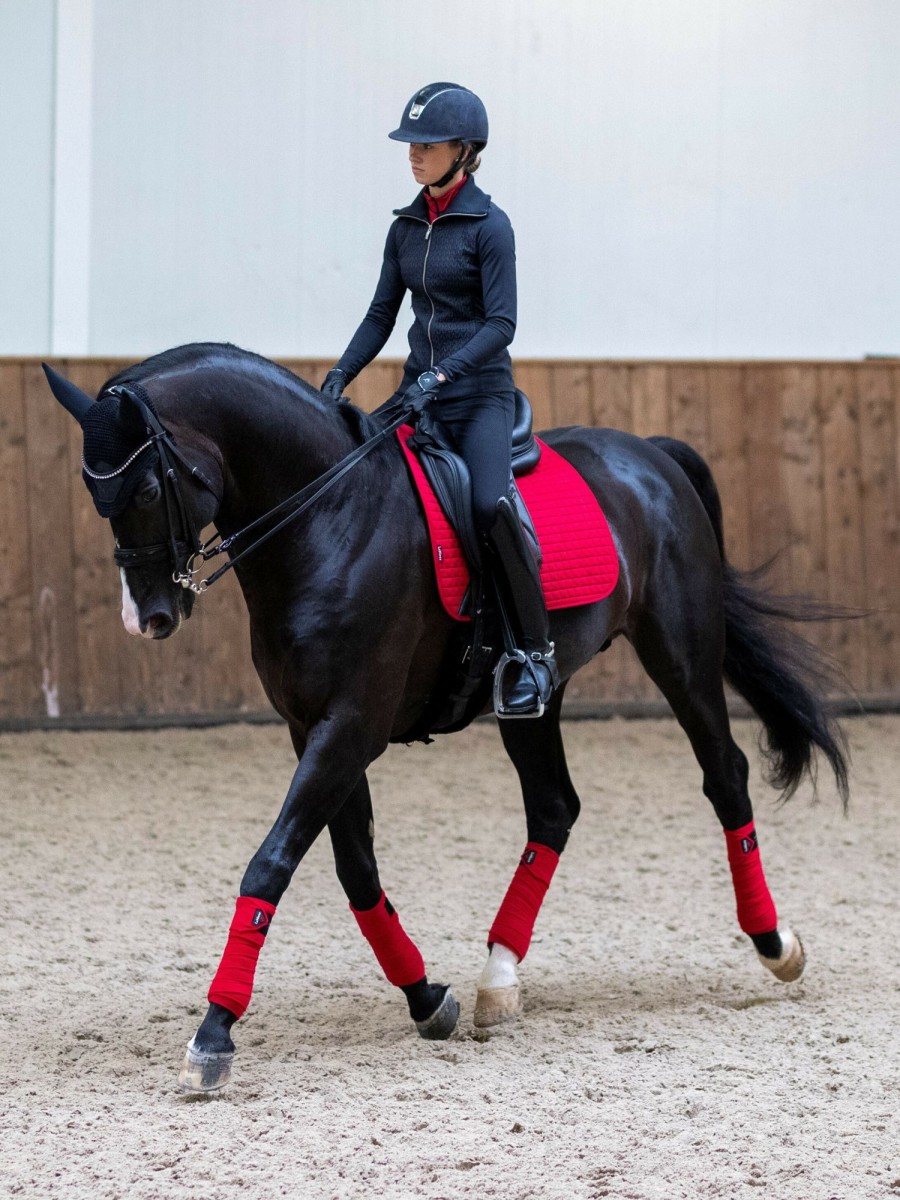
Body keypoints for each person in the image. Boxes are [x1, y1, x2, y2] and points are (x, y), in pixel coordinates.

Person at [321, 82, 557, 717]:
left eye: (427, 145)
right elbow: (379, 317)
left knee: (488, 504)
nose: (414, 155)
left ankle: (533, 654)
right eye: (411, 144)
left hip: (478, 397)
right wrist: (339, 375)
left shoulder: (490, 226)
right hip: (417, 394)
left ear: (464, 150)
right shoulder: (404, 228)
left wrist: (445, 373)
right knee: (355, 480)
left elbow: (501, 325)